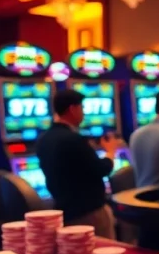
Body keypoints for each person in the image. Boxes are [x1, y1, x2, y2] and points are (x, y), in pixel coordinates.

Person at [36, 89, 119, 238]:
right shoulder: (74, 139)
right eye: (82, 108)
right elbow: (101, 169)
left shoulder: (44, 139)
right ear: (72, 109)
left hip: (63, 211)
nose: (84, 113)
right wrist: (110, 152)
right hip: (89, 212)